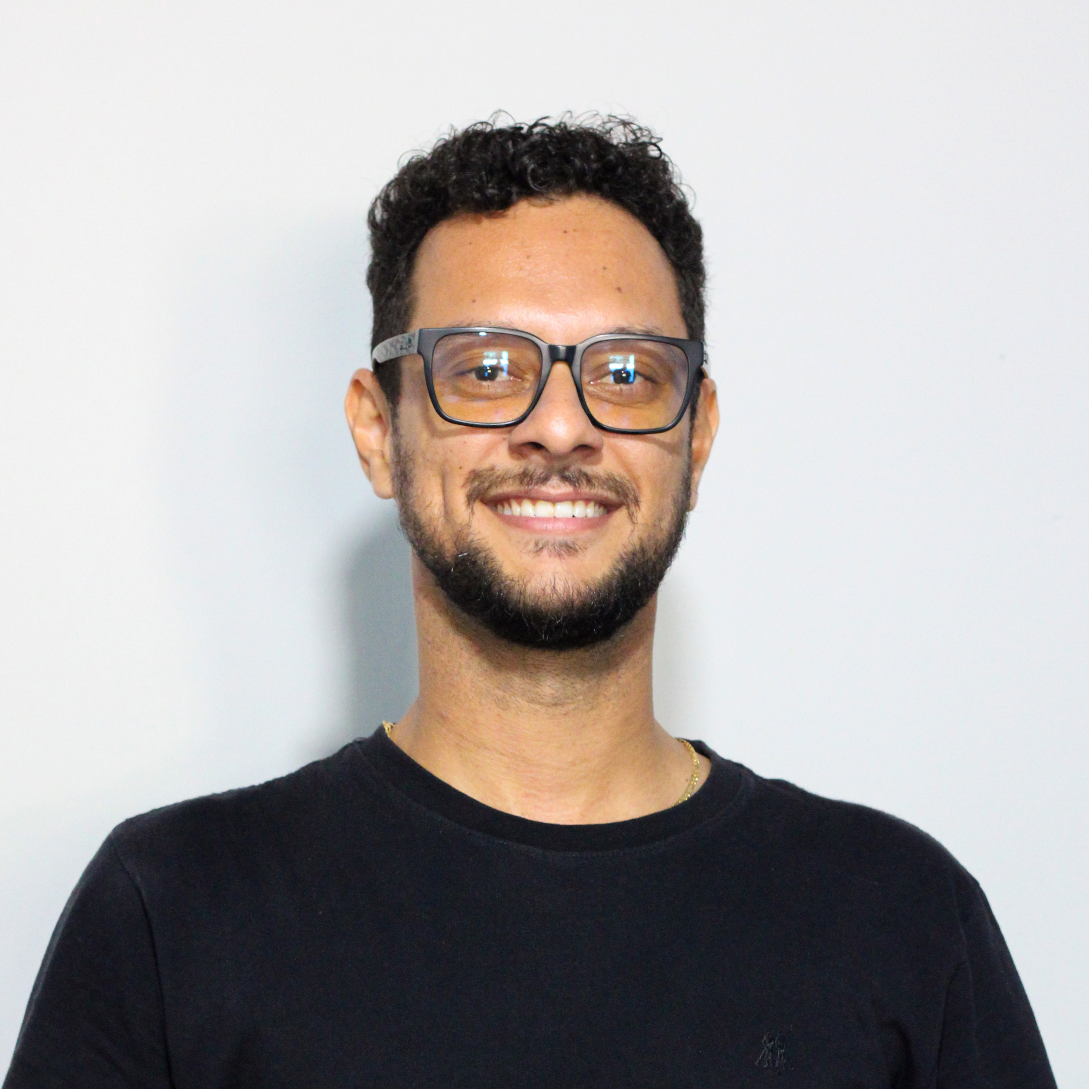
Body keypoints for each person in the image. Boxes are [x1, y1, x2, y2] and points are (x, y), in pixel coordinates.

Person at [4, 116, 1055, 1088]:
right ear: (378, 431)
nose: (559, 426)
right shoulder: (171, 912)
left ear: (696, 435)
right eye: (488, 368)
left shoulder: (901, 917)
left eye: (627, 372)